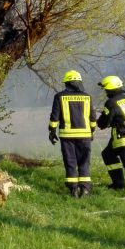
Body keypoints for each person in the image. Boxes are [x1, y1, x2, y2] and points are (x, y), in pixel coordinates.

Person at [48, 70, 95, 198]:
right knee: (84, 162)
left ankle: (73, 189)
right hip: (85, 135)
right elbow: (92, 117)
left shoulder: (59, 96)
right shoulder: (87, 97)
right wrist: (92, 131)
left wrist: (52, 131)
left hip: (67, 136)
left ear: (67, 83)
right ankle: (85, 189)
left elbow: (54, 117)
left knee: (70, 161)